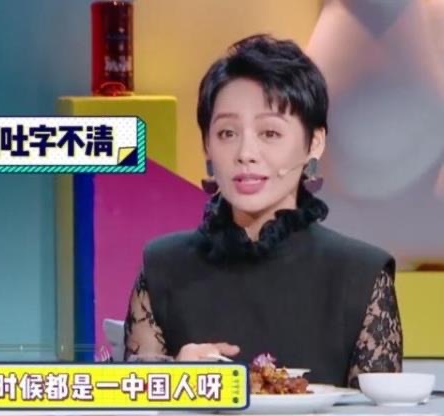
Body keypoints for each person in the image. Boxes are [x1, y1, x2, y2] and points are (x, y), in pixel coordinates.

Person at [123, 34, 403, 388]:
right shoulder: (163, 267)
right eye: (227, 133)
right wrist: (175, 380)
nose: (245, 153)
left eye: (269, 133)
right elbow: (130, 401)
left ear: (314, 143)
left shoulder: (361, 276)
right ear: (207, 144)